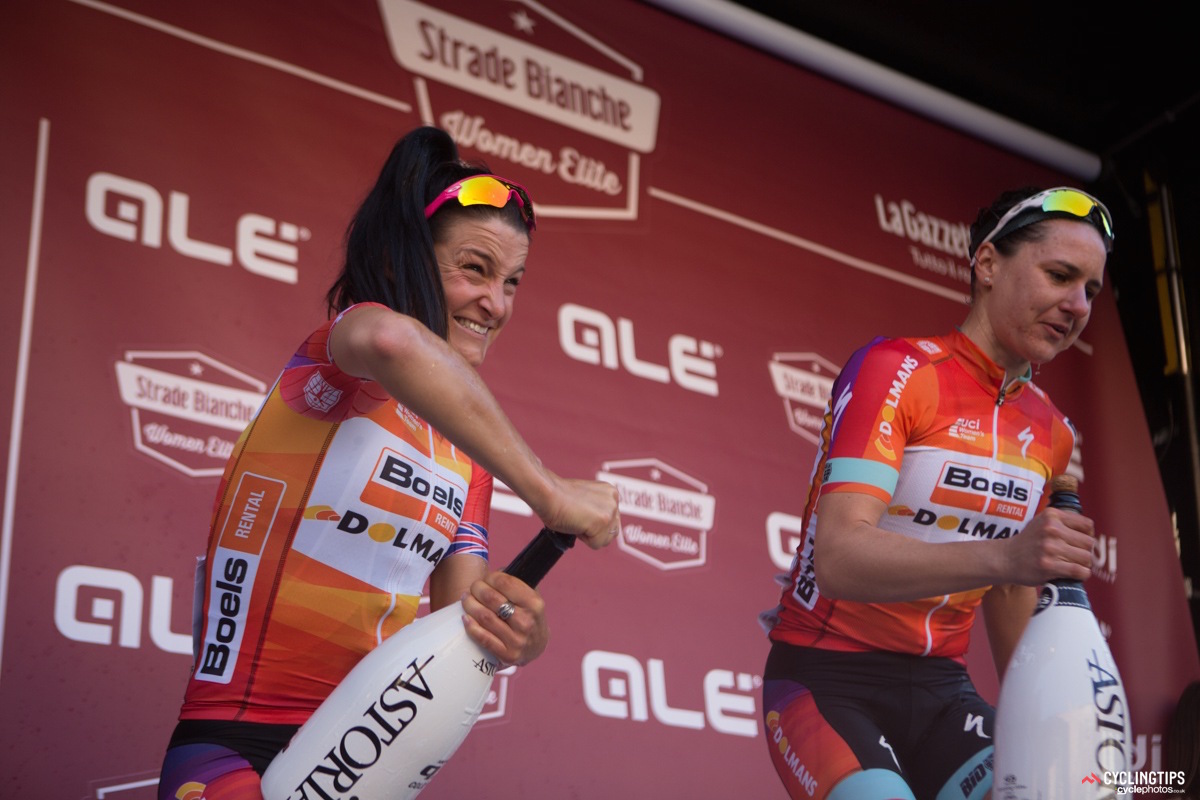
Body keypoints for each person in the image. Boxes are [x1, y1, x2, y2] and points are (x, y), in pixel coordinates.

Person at [157, 126, 620, 799]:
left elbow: (461, 625)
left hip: (367, 760)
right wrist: (549, 492)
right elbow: (391, 338)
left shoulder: (470, 456)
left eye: (512, 281)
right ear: (406, 261)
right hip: (233, 749)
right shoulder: (341, 355)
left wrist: (517, 632)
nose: (497, 303)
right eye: (475, 269)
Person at [760, 186, 1112, 800]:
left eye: (1091, 290)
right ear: (987, 264)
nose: (1077, 304)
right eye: (1060, 275)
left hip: (945, 693)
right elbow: (840, 558)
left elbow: (1008, 596)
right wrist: (1008, 556)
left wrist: (1054, 729)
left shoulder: (1052, 433)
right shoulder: (897, 370)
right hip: (827, 681)